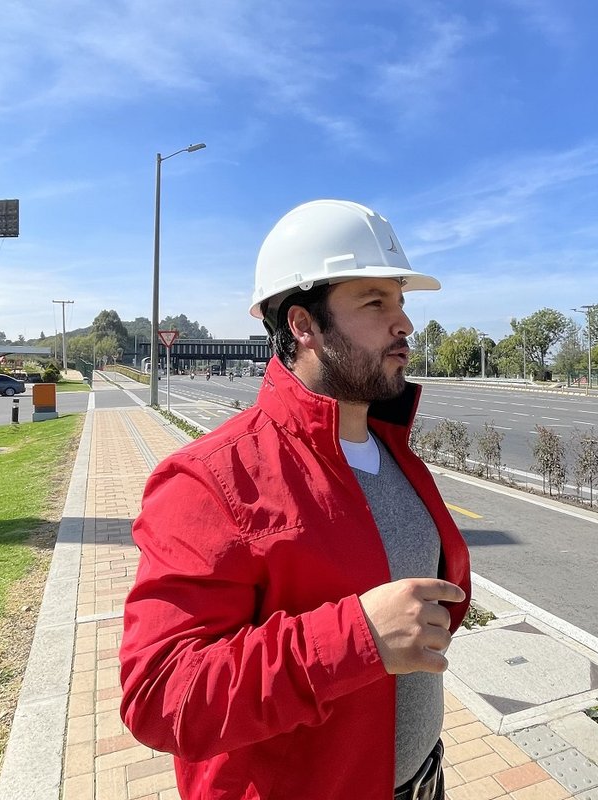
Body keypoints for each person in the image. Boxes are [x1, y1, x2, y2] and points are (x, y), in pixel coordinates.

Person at [119, 199, 471, 799]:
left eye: (402, 302)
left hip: (424, 780)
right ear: (304, 326)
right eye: (375, 302)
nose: (404, 324)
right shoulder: (210, 480)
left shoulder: (394, 454)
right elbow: (160, 693)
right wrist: (356, 638)